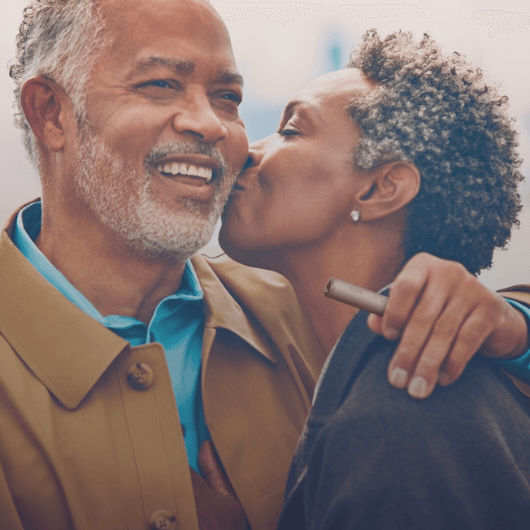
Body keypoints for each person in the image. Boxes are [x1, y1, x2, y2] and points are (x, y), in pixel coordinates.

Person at [1, 0, 529, 528]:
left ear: (381, 187)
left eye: (227, 97)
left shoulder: (322, 318)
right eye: (161, 83)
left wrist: (513, 329)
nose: (213, 125)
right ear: (52, 112)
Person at [218, 30, 530, 529]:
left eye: (292, 130)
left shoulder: (404, 415)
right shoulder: (370, 380)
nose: (249, 152)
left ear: (381, 188)